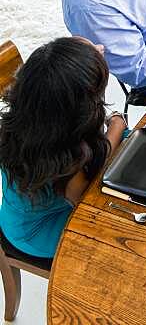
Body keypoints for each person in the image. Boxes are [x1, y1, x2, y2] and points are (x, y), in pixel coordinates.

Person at [0, 37, 126, 259]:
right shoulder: (64, 156)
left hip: (25, 211)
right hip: (39, 232)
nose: (101, 47)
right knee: (119, 234)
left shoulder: (32, 115)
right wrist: (116, 125)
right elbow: (86, 199)